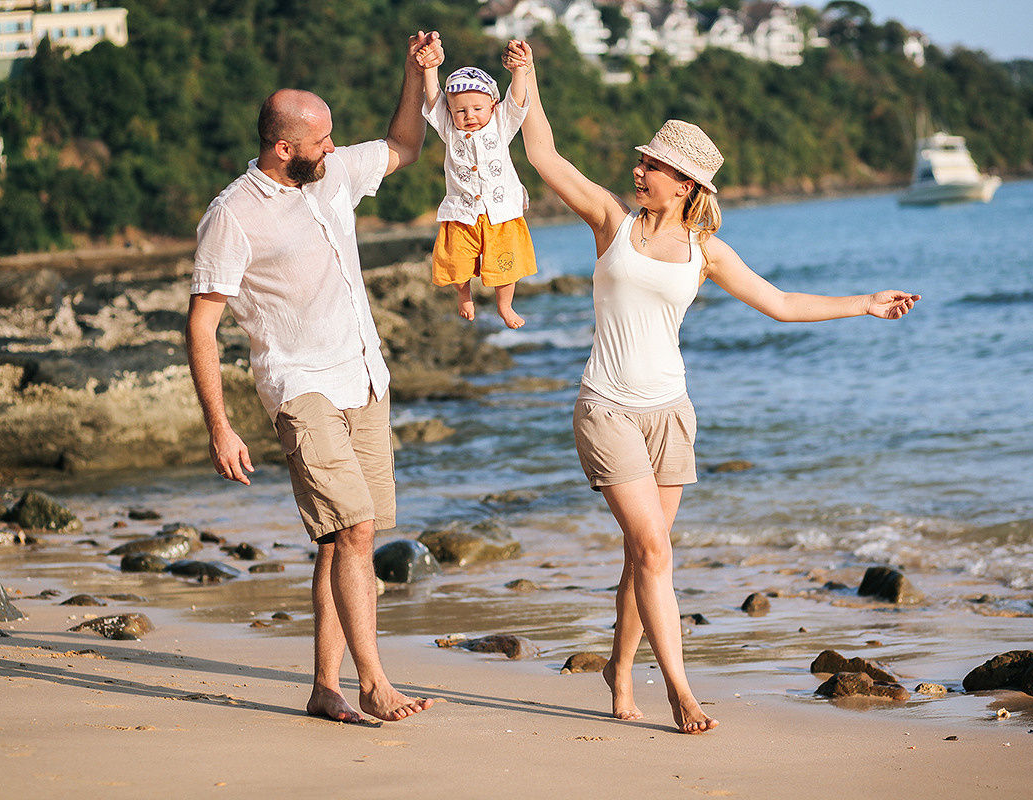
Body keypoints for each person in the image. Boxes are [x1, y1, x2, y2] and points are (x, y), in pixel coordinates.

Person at [507, 40, 919, 734]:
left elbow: (781, 303)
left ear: (686, 185)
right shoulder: (612, 223)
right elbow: (545, 157)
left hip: (670, 414)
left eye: (654, 166)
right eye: (642, 161)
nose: (639, 171)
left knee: (645, 554)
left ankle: (618, 672)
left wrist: (864, 303)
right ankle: (680, 691)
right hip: (606, 409)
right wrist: (529, 80)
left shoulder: (707, 252)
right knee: (655, 551)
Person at [185, 31, 446, 724]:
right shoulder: (232, 216)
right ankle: (373, 682)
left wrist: (413, 73)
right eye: (322, 139)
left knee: (340, 539)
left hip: (362, 376)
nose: (334, 147)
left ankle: (325, 689)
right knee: (357, 531)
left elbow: (405, 144)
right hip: (297, 384)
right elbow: (202, 326)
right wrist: (221, 425)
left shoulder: (329, 178)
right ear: (283, 148)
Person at [418, 42, 538, 328]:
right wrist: (430, 68)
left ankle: (505, 306)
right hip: (462, 212)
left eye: (476, 108)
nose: (469, 116)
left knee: (505, 264)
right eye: (460, 111)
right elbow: (434, 99)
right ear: (451, 112)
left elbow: (517, 100)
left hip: (501, 213)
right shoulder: (449, 129)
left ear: (493, 105)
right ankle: (463, 295)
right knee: (455, 261)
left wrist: (519, 72)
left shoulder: (501, 123)